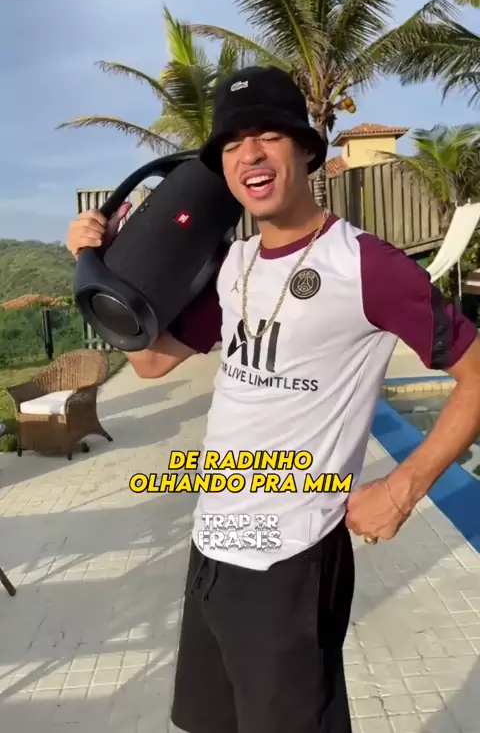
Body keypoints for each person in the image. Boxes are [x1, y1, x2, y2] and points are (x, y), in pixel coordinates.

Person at [66, 66, 480, 733]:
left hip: (290, 559)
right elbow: (149, 361)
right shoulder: (233, 267)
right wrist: (93, 265)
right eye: (232, 143)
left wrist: (402, 490)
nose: (249, 155)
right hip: (213, 545)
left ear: (307, 148)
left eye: (268, 136)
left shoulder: (366, 266)